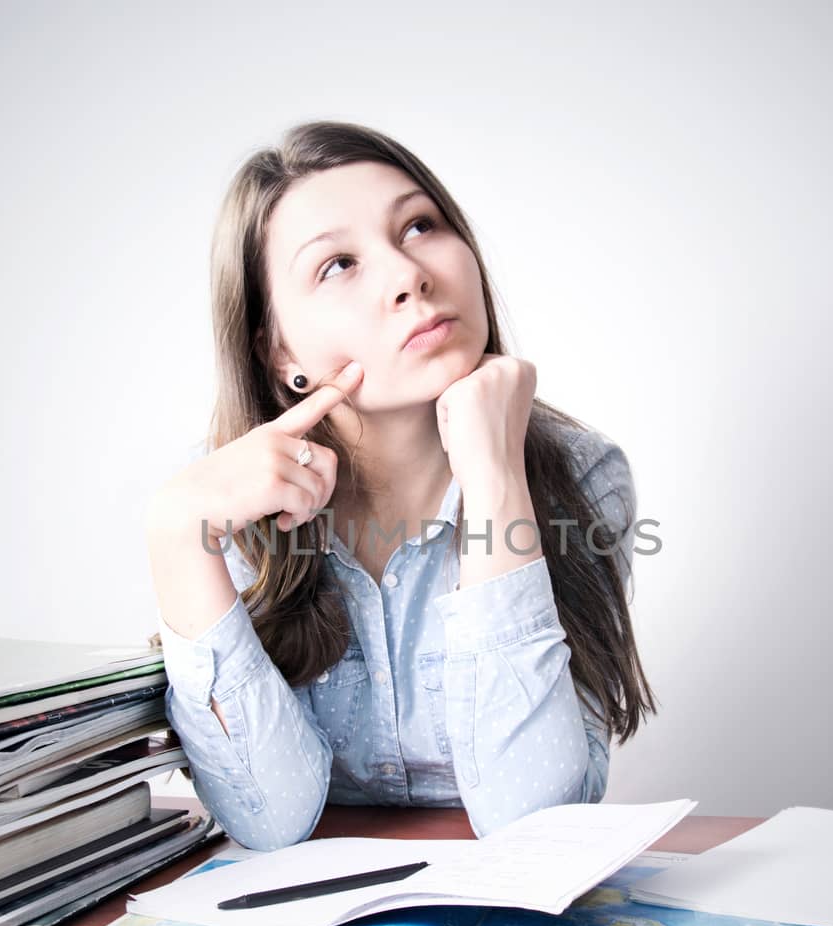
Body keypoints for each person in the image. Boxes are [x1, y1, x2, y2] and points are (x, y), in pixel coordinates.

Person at [145, 120, 656, 849]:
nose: (408, 276)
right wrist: (175, 533)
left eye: (420, 225)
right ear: (278, 348)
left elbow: (533, 821)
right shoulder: (226, 505)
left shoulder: (582, 477)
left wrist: (496, 479)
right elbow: (267, 819)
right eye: (338, 265)